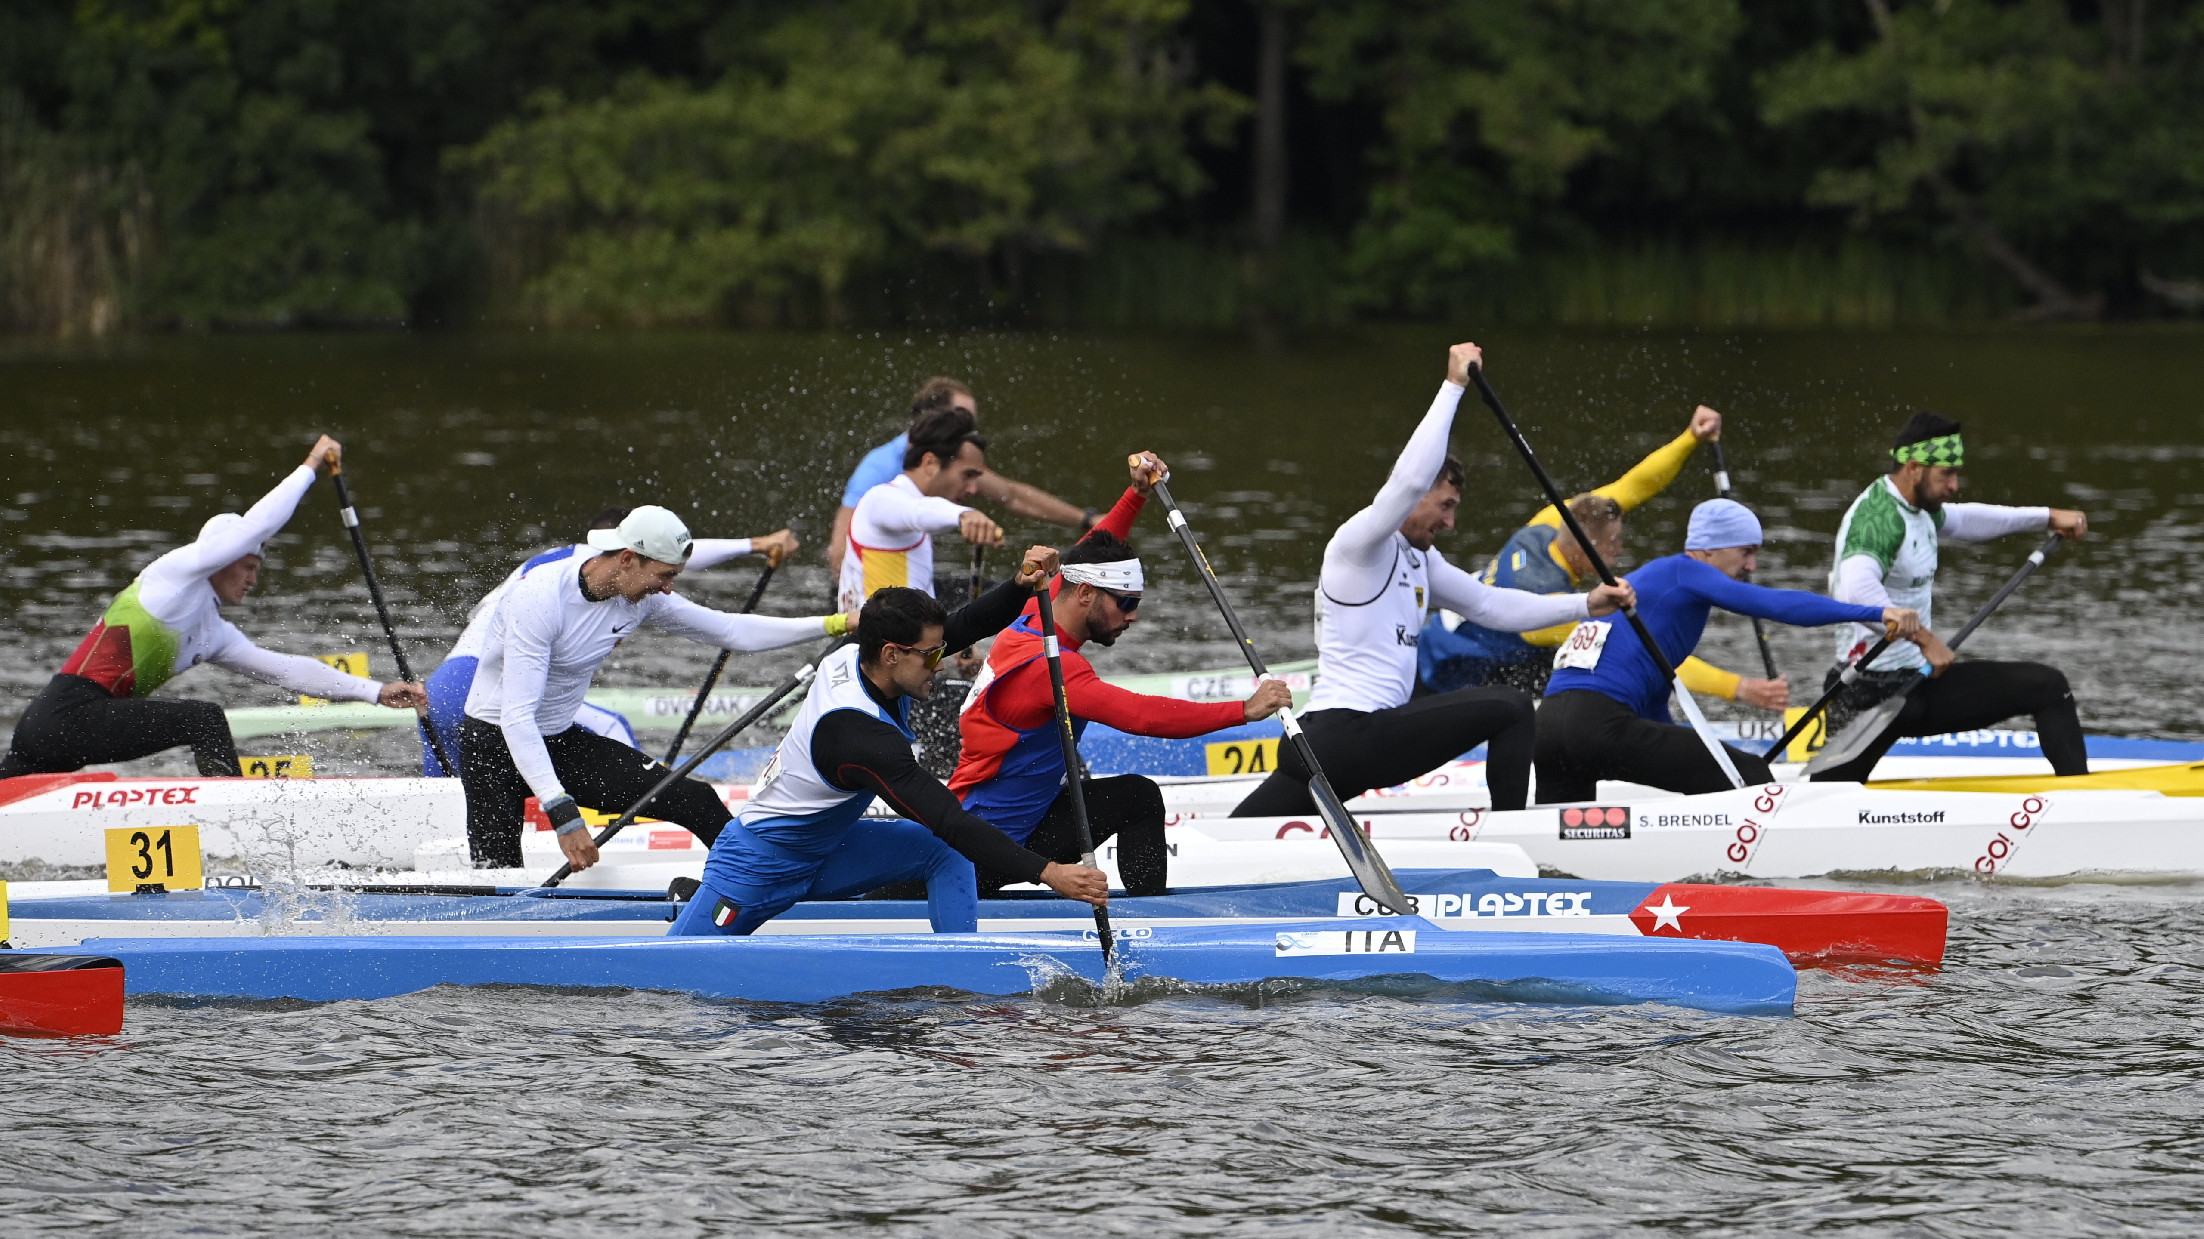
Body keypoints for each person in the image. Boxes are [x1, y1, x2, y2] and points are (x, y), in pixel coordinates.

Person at [1230, 343, 1635, 819]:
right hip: (1346, 734)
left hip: (1333, 746)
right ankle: (1520, 836)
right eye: (1445, 506)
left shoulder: (1421, 559)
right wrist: (1453, 386)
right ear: (1415, 496)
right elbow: (1405, 481)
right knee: (1511, 708)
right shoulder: (1359, 545)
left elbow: (1490, 606)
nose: (1450, 522)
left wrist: (1586, 604)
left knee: (1235, 839)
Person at [671, 560, 1113, 937]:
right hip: (759, 865)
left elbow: (964, 625)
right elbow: (949, 818)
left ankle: (959, 972)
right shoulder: (859, 737)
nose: (940, 666)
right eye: (932, 657)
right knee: (672, 977)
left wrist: (1019, 585)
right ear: (890, 655)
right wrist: (1049, 872)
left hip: (829, 850)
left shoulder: (859, 652)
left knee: (943, 851)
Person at [950, 454, 1294, 897]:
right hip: (986, 853)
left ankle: (1148, 912)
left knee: (1135, 795)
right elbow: (1142, 716)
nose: (1132, 618)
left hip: (1022, 821)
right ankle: (1152, 923)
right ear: (1087, 594)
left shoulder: (1041, 605)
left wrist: (1137, 492)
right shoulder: (1051, 669)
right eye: (1125, 604)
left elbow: (1097, 542)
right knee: (1138, 799)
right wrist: (1243, 710)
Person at [0, 436, 426, 779]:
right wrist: (311, 465)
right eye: (248, 565)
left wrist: (375, 691)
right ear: (222, 556)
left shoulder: (213, 633)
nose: (253, 578)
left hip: (64, 732)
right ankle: (229, 816)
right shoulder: (172, 577)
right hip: (65, 715)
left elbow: (287, 670)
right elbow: (257, 526)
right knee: (203, 718)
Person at [459, 505, 846, 870]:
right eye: (664, 576)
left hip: (561, 742)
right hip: (493, 748)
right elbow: (517, 716)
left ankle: (755, 884)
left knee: (697, 800)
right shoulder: (541, 597)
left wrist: (836, 624)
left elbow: (731, 630)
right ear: (627, 558)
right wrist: (562, 813)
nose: (666, 589)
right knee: (499, 875)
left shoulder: (640, 597)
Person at [1534, 498, 1926, 802]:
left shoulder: (1653, 585)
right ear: (1708, 550)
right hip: (1598, 724)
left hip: (1548, 730)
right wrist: (1878, 612)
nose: (1752, 565)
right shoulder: (1685, 571)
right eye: (1746, 552)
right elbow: (1780, 606)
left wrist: (1693, 766)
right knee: (1752, 778)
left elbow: (1654, 706)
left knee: (1568, 852)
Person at [1417, 404, 1784, 711]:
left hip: (1452, 643)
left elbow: (1632, 487)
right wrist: (1742, 689)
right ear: (1583, 547)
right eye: (1612, 545)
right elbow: (1647, 651)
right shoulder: (1550, 607)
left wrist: (1690, 438)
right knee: (1598, 670)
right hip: (1438, 679)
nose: (1619, 552)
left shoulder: (1551, 524)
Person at [1810, 411, 2091, 782]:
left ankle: (2079, 803)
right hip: (1865, 695)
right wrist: (1926, 639)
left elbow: (1968, 520)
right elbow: (1854, 592)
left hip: (1918, 686)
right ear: (1914, 468)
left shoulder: (1920, 510)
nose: (1955, 485)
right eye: (1947, 474)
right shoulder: (1876, 518)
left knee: (2048, 687)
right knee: (1828, 804)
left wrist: (2047, 517)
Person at [419, 508, 799, 776]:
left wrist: (755, 545)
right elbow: (677, 556)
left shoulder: (559, 563)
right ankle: (635, 820)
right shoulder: (577, 572)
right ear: (624, 552)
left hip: (439, 691)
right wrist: (753, 543)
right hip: (479, 691)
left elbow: (676, 558)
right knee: (612, 727)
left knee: (455, 807)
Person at [826, 377, 1096, 584]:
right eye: (963, 421)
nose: (971, 432)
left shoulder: (958, 462)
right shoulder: (879, 468)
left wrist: (1087, 519)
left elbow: (1011, 495)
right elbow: (838, 552)